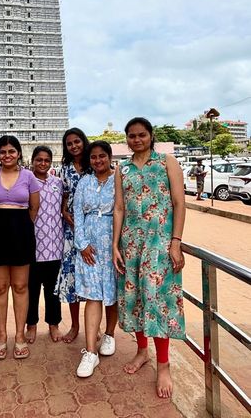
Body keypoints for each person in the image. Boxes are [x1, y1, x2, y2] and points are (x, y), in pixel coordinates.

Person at [113, 117, 186, 399]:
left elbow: (180, 202)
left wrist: (176, 242)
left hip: (160, 243)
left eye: (141, 135)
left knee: (158, 301)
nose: (136, 140)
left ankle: (164, 364)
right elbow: (119, 207)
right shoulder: (123, 168)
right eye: (131, 136)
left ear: (151, 135)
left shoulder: (167, 161)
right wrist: (114, 245)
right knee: (134, 299)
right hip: (130, 243)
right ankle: (142, 351)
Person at [0, 136, 40, 359]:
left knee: (21, 286)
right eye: (3, 151)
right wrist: (3, 221)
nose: (7, 155)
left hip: (21, 232)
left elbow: (34, 207)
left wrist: (20, 225)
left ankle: (20, 336)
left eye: (11, 151)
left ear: (18, 153)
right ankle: (2, 336)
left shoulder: (29, 176)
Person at [74, 141, 118, 377]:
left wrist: (118, 245)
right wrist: (82, 244)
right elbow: (77, 214)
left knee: (112, 293)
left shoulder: (118, 180)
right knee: (93, 296)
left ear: (109, 157)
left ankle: (110, 334)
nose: (98, 161)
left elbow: (123, 210)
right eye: (93, 157)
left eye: (102, 156)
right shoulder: (84, 182)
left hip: (113, 243)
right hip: (89, 247)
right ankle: (90, 352)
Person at [54, 127, 90, 343]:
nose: (74, 146)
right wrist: (67, 216)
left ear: (83, 142)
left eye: (77, 141)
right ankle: (75, 325)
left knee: (94, 277)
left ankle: (96, 328)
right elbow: (63, 199)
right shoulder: (64, 168)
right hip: (71, 231)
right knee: (72, 278)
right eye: (69, 144)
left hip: (95, 229)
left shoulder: (94, 164)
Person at [26, 146, 64, 344]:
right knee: (31, 289)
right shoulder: (25, 182)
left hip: (55, 245)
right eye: (39, 159)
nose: (42, 163)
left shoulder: (58, 183)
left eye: (46, 160)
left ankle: (53, 324)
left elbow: (64, 209)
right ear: (32, 160)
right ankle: (31, 325)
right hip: (32, 246)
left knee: (53, 290)